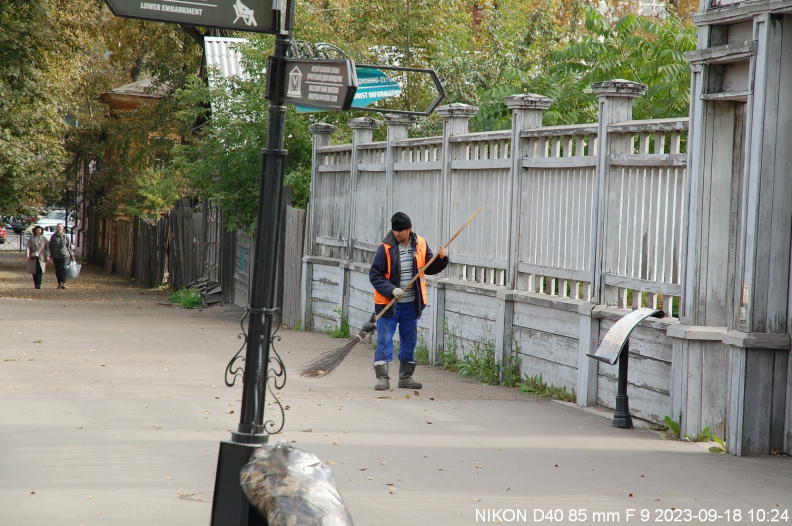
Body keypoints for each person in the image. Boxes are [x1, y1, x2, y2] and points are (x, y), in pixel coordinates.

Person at [368, 212, 448, 390]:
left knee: (409, 339)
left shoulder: (420, 243)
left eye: (400, 231)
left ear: (409, 229)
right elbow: (375, 275)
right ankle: (383, 378)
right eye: (394, 230)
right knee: (385, 339)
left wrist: (441, 259)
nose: (396, 234)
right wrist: (391, 290)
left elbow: (429, 267)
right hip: (388, 304)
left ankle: (406, 377)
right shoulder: (386, 247)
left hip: (411, 303)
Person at [49, 223, 74, 289]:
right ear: (57, 228)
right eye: (58, 227)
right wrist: (50, 255)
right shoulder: (53, 236)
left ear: (63, 228)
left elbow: (69, 246)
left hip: (65, 255)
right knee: (58, 270)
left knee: (63, 267)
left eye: (60, 227)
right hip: (56, 256)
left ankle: (63, 282)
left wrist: (72, 255)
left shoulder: (65, 236)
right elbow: (51, 246)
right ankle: (59, 282)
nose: (59, 228)